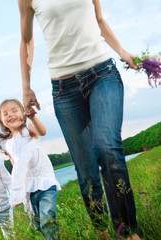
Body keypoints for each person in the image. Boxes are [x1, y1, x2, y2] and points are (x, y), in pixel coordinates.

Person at [18, 0, 141, 239]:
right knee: (86, 172)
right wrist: (26, 86)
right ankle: (103, 231)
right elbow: (26, 40)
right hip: (65, 90)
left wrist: (123, 52)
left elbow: (99, 20)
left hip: (102, 74)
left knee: (108, 148)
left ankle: (126, 232)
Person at [0, 99, 61, 240]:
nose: (10, 115)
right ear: (1, 120)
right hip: (29, 188)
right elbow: (16, 166)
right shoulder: (6, 143)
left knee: (47, 218)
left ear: (23, 114)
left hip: (45, 181)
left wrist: (33, 117)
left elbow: (42, 132)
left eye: (14, 111)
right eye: (5, 113)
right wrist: (17, 191)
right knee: (38, 224)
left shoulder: (28, 129)